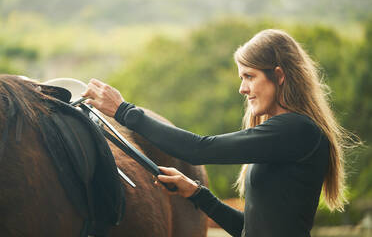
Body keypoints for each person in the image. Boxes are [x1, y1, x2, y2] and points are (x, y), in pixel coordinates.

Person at [82, 29, 354, 237]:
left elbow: (200, 149)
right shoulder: (286, 135)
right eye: (241, 78)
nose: (242, 89)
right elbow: (249, 230)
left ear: (279, 75)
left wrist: (123, 111)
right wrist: (196, 194)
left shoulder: (296, 130)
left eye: (249, 76)